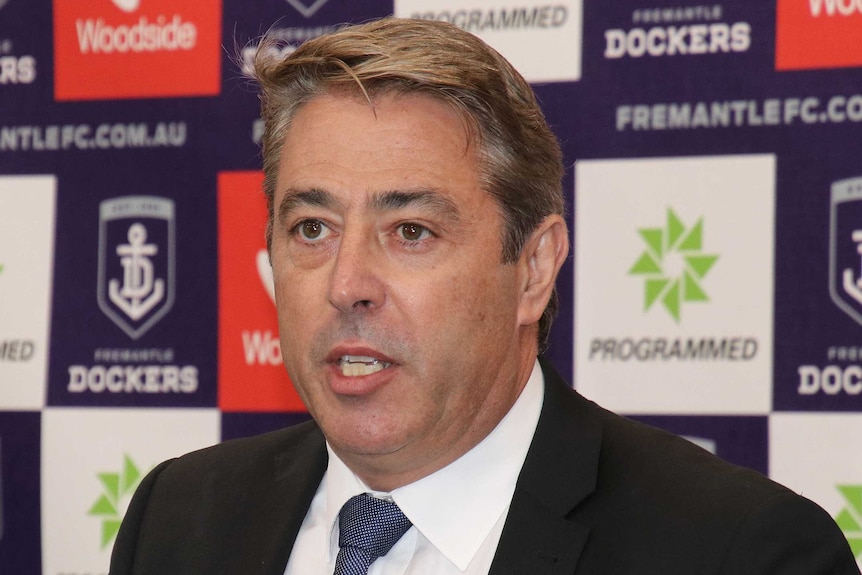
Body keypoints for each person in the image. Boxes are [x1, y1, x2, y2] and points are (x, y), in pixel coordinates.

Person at [109, 17, 859, 575]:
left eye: (410, 231)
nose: (346, 285)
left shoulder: (739, 553)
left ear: (533, 268)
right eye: (312, 227)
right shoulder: (178, 521)